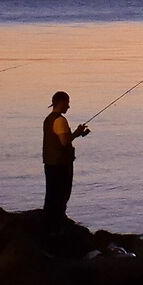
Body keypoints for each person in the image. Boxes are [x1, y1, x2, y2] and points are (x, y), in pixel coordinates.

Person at [41, 92, 88, 222]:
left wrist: (76, 134)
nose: (68, 106)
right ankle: (57, 221)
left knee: (51, 194)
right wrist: (77, 133)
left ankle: (50, 220)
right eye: (67, 103)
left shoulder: (48, 119)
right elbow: (64, 141)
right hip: (60, 164)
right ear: (61, 103)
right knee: (62, 194)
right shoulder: (60, 120)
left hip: (50, 162)